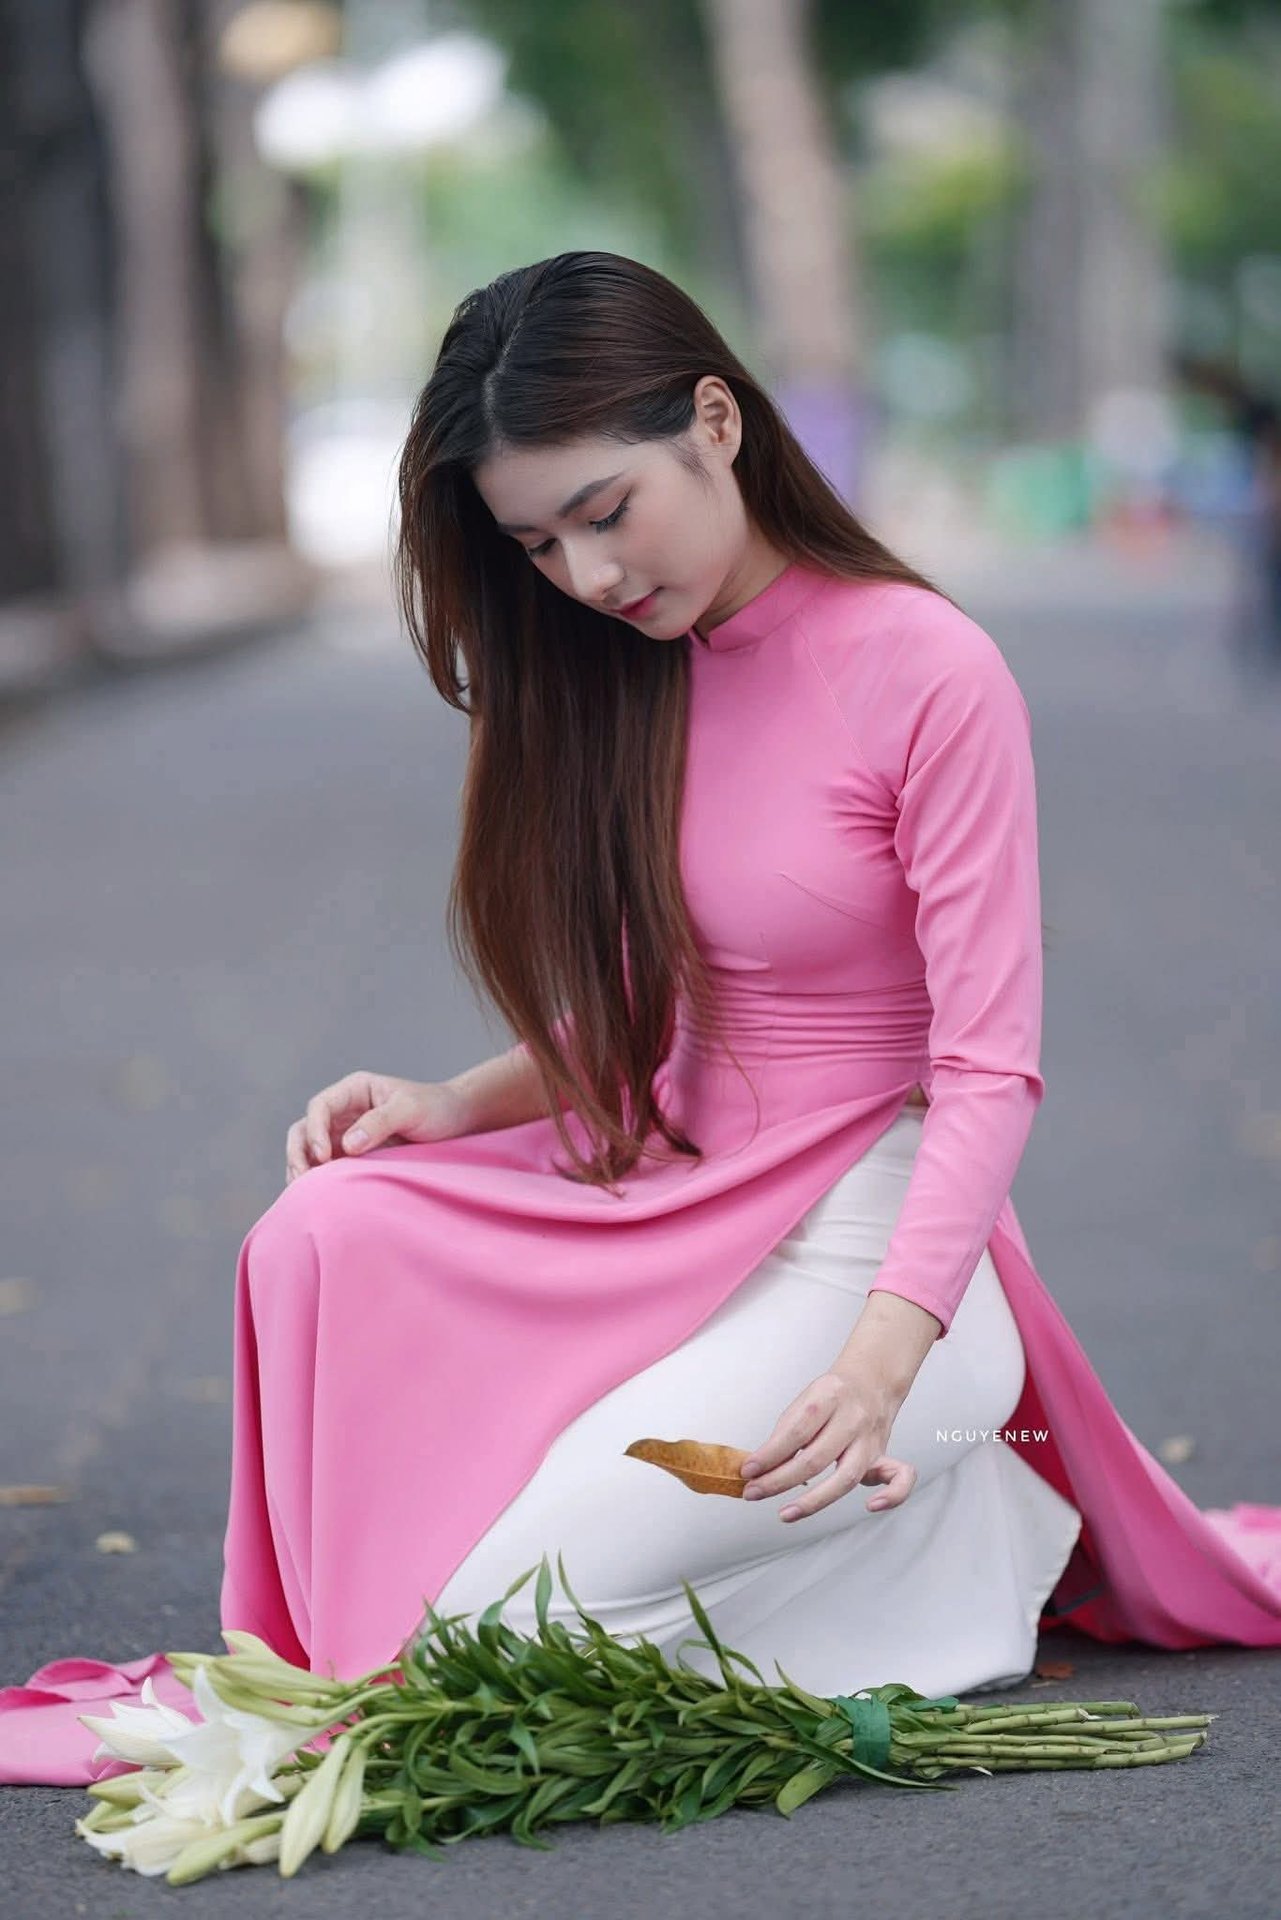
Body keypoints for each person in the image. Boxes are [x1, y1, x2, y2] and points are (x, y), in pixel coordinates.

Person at [4, 250, 1281, 1790]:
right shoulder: (631, 671)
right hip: (675, 1203)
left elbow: (987, 1066)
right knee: (322, 1228)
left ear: (715, 423)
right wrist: (452, 1103)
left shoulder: (924, 668)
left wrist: (881, 1360)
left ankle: (952, 1527)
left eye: (605, 512)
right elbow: (654, 1013)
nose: (589, 577)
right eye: (538, 545)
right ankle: (891, 1532)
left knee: (485, 1642)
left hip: (867, 1256)